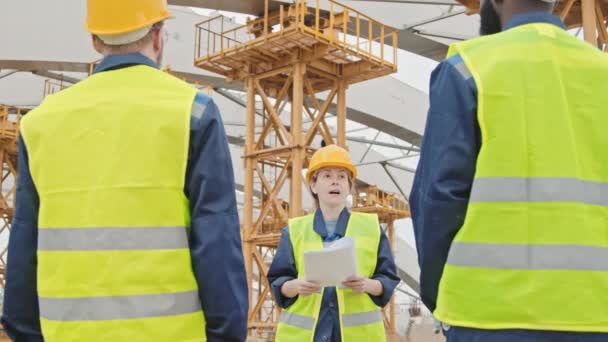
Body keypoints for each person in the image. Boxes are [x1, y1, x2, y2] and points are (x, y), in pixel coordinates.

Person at [1, 1, 248, 341]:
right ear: (158, 36)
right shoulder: (191, 113)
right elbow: (216, 242)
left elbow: (24, 250)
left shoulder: (41, 123)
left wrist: (27, 333)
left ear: (94, 40)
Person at [410, 0, 608, 341]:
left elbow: (438, 199)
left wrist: (440, 294)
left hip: (488, 315)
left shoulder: (467, 69)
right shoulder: (601, 71)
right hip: (595, 313)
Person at [268, 144, 400, 341]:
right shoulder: (294, 231)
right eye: (327, 176)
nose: (335, 182)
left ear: (349, 186)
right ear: (313, 185)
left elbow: (388, 280)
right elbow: (279, 283)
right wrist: (296, 286)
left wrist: (367, 284)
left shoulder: (371, 228)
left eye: (341, 177)